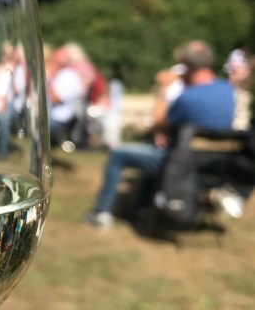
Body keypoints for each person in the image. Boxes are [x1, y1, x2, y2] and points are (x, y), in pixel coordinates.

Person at [83, 40, 235, 228]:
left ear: (187, 66)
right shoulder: (227, 90)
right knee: (156, 149)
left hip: (179, 165)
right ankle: (140, 209)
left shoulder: (188, 98)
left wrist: (165, 87)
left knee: (118, 155)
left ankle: (101, 213)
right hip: (213, 165)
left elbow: (158, 122)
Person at [45, 45, 87, 144]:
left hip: (60, 120)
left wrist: (49, 80)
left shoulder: (70, 77)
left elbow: (55, 99)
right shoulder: (55, 73)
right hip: (49, 117)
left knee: (38, 127)